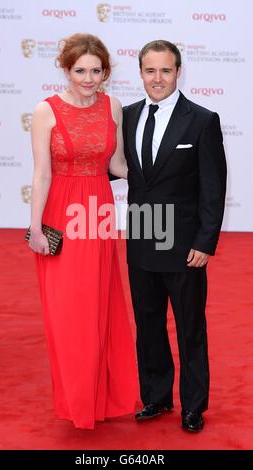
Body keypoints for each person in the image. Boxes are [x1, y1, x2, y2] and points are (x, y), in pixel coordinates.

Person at [28, 33, 138, 430]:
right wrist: (35, 227)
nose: (89, 79)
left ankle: (104, 399)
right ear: (66, 69)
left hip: (99, 209)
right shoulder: (47, 110)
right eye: (80, 71)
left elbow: (121, 165)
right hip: (61, 211)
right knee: (70, 312)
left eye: (96, 71)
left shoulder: (114, 106)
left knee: (101, 304)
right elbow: (41, 174)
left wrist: (162, 183)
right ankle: (78, 402)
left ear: (105, 71)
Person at [123, 40, 227, 432]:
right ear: (140, 73)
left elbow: (213, 187)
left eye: (165, 70)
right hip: (141, 240)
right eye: (150, 70)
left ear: (178, 71)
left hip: (184, 247)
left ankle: (193, 406)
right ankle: (156, 397)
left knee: (190, 328)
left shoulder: (201, 120)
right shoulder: (127, 117)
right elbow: (119, 169)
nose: (158, 78)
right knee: (148, 324)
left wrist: (204, 242)